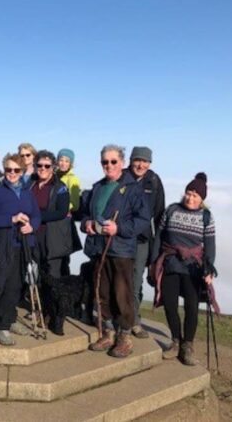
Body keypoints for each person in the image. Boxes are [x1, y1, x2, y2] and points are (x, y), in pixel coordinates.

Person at [81, 144, 150, 358]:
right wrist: (87, 224)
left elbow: (143, 219)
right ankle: (108, 332)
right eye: (105, 162)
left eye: (113, 161)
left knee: (122, 293)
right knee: (102, 292)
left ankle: (124, 336)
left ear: (121, 163)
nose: (108, 165)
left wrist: (119, 228)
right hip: (99, 248)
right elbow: (85, 214)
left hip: (120, 249)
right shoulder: (97, 187)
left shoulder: (133, 188)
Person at [149, 173, 216, 366]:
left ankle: (188, 345)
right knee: (169, 305)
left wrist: (209, 269)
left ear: (202, 198)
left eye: (195, 195)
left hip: (194, 268)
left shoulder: (206, 217)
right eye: (188, 193)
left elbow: (210, 246)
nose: (190, 198)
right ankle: (176, 341)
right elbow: (160, 237)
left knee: (191, 308)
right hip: (170, 263)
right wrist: (154, 262)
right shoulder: (171, 210)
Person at [0, 153, 41, 346]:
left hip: (25, 244)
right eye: (8, 169)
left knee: (17, 285)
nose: (12, 173)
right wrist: (12, 220)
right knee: (5, 283)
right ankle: (2, 326)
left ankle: (9, 318)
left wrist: (31, 225)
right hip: (7, 245)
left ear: (22, 171)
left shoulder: (27, 193)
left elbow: (37, 215)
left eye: (17, 170)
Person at [29, 150, 74, 335]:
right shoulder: (30, 184)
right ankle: (40, 310)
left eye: (47, 166)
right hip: (33, 236)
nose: (43, 169)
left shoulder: (60, 187)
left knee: (53, 278)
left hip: (53, 238)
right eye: (39, 165)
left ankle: (54, 315)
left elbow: (61, 212)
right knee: (37, 276)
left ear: (53, 167)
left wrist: (36, 217)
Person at [124, 146, 166, 340]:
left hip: (142, 240)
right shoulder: (121, 177)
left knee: (136, 281)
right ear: (131, 160)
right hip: (119, 237)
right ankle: (119, 317)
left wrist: (158, 248)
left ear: (150, 163)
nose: (141, 164)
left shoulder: (154, 182)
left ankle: (134, 320)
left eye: (145, 161)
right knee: (117, 278)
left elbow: (159, 217)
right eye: (137, 160)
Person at [56, 148, 82, 216]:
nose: (63, 164)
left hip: (64, 217)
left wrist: (59, 208)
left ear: (70, 163)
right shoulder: (53, 177)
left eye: (67, 161)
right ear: (57, 161)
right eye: (61, 160)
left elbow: (75, 205)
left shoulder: (73, 179)